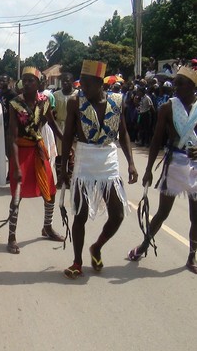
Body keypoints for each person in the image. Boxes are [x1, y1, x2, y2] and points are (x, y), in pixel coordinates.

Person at [60, 60, 138, 279]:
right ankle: (77, 261)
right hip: (84, 159)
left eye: (85, 83)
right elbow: (67, 137)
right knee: (80, 214)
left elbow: (123, 133)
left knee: (118, 214)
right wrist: (64, 166)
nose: (81, 87)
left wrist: (131, 163)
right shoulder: (75, 103)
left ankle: (97, 247)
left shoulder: (116, 101)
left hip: (108, 160)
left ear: (99, 83)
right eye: (81, 82)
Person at [127, 67, 197, 274]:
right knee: (162, 213)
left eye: (181, 83)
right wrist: (148, 170)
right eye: (175, 82)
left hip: (195, 167)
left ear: (193, 86)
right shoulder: (168, 107)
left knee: (196, 217)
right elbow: (157, 140)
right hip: (175, 163)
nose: (175, 87)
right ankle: (143, 246)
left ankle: (192, 256)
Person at [6, 66, 65, 254]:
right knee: (17, 196)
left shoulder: (45, 102)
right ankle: (11, 237)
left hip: (38, 151)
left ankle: (47, 227)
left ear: (39, 83)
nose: (27, 83)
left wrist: (68, 142)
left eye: (31, 80)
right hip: (21, 151)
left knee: (51, 191)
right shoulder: (15, 103)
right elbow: (12, 137)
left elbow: (53, 124)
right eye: (25, 79)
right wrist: (15, 166)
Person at [52, 73, 78, 187]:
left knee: (72, 154)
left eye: (67, 81)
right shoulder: (56, 95)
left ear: (72, 82)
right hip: (60, 126)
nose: (65, 83)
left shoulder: (78, 95)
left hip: (74, 127)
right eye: (63, 81)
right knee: (59, 154)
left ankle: (70, 178)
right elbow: (52, 113)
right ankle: (60, 178)